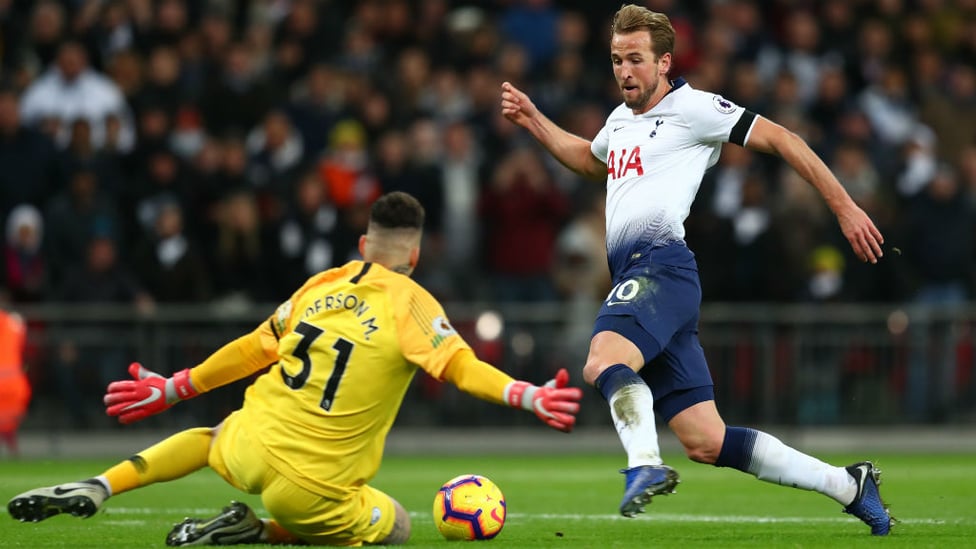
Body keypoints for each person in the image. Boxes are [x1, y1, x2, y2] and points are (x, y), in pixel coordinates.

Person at [500, 4, 892, 536]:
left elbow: (786, 140)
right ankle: (849, 485)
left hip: (661, 267)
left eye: (635, 59)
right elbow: (591, 160)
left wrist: (845, 208)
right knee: (706, 440)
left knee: (602, 359)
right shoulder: (620, 120)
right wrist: (533, 120)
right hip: (644, 281)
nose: (623, 71)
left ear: (664, 62)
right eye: (616, 60)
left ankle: (643, 463)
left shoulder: (696, 109)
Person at [6, 191, 582, 546]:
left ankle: (104, 483)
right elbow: (459, 365)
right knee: (398, 526)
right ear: (414, 256)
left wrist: (175, 386)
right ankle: (257, 532)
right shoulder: (411, 300)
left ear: (362, 244)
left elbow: (254, 348)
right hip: (311, 486)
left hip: (252, 441)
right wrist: (524, 395)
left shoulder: (320, 285)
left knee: (209, 440)